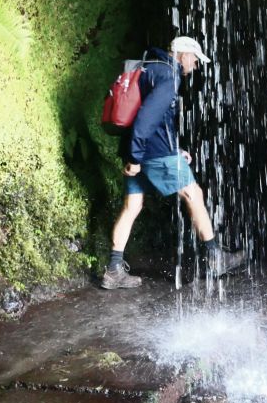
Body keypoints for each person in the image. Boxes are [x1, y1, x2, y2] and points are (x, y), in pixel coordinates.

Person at [101, 36, 246, 289]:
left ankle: (113, 270)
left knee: (132, 205)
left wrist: (167, 150)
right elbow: (147, 119)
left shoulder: (149, 66)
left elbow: (153, 117)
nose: (196, 65)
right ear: (183, 54)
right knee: (194, 193)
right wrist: (138, 158)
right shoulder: (170, 75)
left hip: (141, 149)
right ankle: (215, 257)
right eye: (195, 59)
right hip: (152, 153)